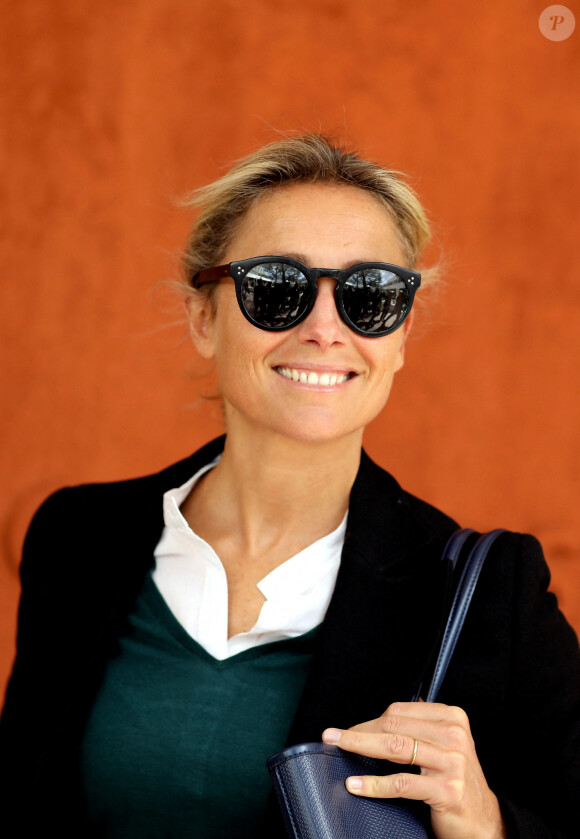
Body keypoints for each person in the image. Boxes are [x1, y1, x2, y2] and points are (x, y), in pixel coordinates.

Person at [1, 134, 579, 839]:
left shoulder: (493, 597)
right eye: (276, 287)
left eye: (369, 294)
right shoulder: (78, 538)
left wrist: (487, 824)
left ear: (402, 335)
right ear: (203, 318)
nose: (325, 327)